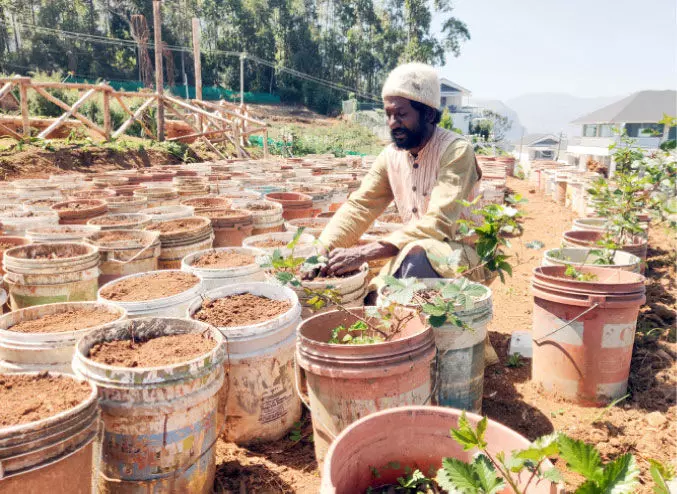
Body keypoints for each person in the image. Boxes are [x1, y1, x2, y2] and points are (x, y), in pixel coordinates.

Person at [316, 62, 487, 293]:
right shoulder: (391, 157)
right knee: (370, 294)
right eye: (388, 115)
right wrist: (322, 251)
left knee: (414, 263)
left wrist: (365, 252)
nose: (392, 123)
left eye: (401, 114)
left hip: (464, 254)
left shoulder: (456, 151)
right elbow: (361, 206)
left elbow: (439, 223)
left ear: (427, 113)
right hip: (415, 251)